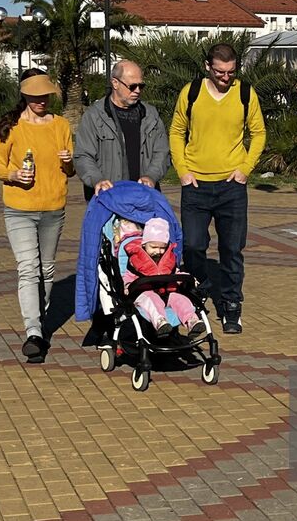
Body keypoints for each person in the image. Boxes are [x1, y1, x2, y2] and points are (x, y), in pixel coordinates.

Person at [168, 43, 266, 334]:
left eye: (232, 72)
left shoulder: (246, 94)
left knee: (232, 250)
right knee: (193, 246)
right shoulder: (192, 92)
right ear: (207, 66)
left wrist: (245, 169)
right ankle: (201, 289)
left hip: (231, 188)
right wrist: (183, 172)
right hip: (196, 186)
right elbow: (176, 132)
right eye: (221, 72)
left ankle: (232, 305)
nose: (226, 78)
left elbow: (258, 133)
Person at [0, 70, 76, 362]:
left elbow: (70, 170)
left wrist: (69, 162)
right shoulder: (12, 127)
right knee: (29, 268)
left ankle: (40, 318)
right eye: (36, 96)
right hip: (19, 208)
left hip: (53, 207)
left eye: (45, 96)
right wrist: (12, 174)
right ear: (25, 95)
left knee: (47, 270)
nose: (41, 101)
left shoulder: (61, 125)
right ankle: (34, 332)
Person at [74, 60, 170, 201]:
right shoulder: (94, 116)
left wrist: (151, 176)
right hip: (107, 199)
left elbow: (162, 152)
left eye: (141, 86)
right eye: (132, 86)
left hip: (144, 197)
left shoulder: (150, 115)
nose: (137, 90)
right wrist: (97, 180)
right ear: (115, 83)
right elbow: (83, 156)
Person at [117, 217, 205, 339]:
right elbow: (128, 275)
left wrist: (187, 278)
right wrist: (127, 285)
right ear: (144, 244)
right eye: (153, 247)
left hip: (167, 293)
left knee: (182, 300)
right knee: (152, 300)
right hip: (145, 293)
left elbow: (175, 273)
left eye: (162, 248)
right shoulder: (135, 259)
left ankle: (192, 321)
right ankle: (161, 322)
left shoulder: (168, 258)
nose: (158, 251)